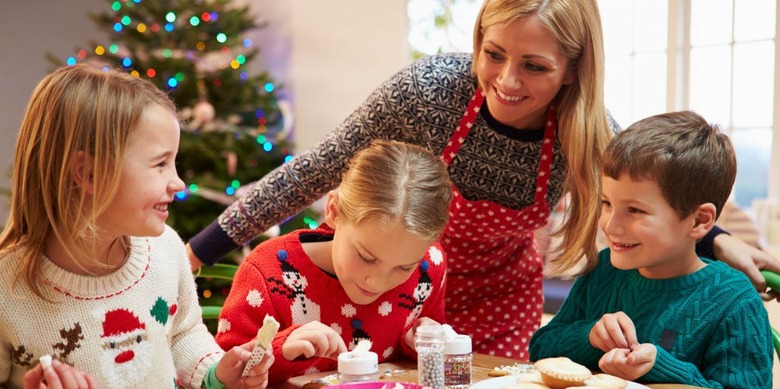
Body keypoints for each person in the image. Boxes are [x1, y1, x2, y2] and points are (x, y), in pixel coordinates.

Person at [186, 0, 780, 361]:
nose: (506, 81)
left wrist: (718, 240)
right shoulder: (428, 93)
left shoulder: (586, 129)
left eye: (535, 66)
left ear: (574, 71)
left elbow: (646, 193)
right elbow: (315, 168)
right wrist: (200, 248)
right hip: (393, 283)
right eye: (493, 54)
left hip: (502, 297)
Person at [0, 64, 275, 389]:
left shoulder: (165, 250)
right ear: (88, 174)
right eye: (160, 163)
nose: (178, 183)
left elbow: (182, 335)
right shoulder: (6, 289)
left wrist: (217, 373)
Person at [529, 111, 773, 389]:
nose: (610, 225)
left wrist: (660, 368)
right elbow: (541, 348)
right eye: (607, 203)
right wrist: (590, 336)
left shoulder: (734, 301)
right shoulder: (604, 270)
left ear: (699, 221)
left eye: (635, 210)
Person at [214, 140, 451, 385]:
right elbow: (224, 374)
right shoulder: (267, 271)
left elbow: (422, 361)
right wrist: (280, 349)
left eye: (404, 268)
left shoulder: (429, 265)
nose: (377, 282)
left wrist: (421, 342)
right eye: (366, 257)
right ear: (334, 211)